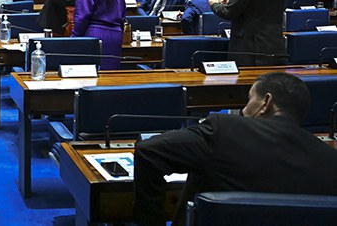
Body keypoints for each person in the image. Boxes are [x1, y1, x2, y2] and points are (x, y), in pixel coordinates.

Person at [133, 72, 337, 226]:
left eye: (249, 100)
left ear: (266, 102)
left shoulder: (224, 131)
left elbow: (148, 151)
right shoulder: (330, 161)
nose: (243, 109)